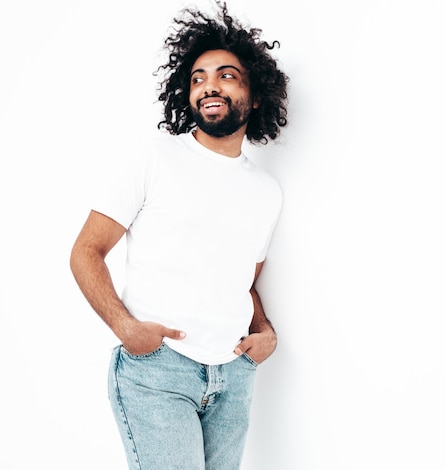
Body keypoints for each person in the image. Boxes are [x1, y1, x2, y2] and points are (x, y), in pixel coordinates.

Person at [69, 2, 288, 469]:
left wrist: (264, 331)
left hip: (232, 376)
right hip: (159, 370)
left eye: (227, 75)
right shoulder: (156, 158)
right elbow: (87, 251)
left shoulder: (266, 191)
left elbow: (240, 280)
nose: (209, 84)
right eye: (198, 77)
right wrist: (126, 329)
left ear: (255, 96)